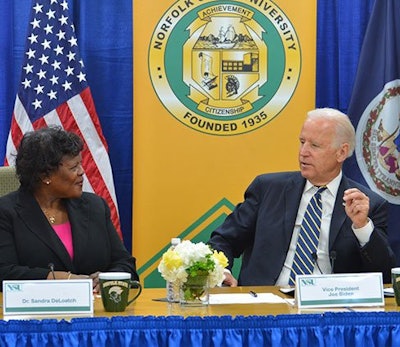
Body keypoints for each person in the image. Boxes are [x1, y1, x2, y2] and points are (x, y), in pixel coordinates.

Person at [208, 108, 396, 286]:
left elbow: (384, 274)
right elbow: (223, 240)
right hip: (266, 302)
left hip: (330, 308)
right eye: (302, 142)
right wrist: (221, 270)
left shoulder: (367, 204)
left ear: (341, 152)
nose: (303, 152)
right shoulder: (267, 189)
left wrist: (362, 227)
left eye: (314, 145)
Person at [0, 126, 139, 292]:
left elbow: (125, 265)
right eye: (74, 168)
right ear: (45, 176)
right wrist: (62, 279)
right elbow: (5, 272)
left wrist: (105, 279)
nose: (82, 172)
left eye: (80, 164)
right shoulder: (6, 212)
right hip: (35, 314)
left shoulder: (95, 207)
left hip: (96, 313)